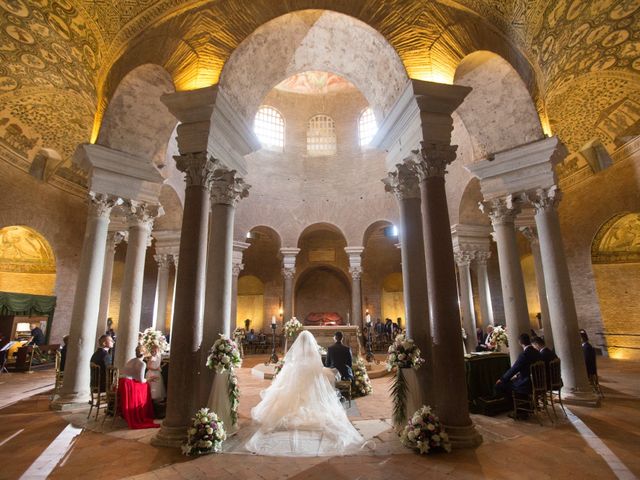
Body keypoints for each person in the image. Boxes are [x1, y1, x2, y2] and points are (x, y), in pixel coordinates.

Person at [245, 330, 364, 456]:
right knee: (315, 389)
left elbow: (293, 362)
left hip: (297, 373)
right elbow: (318, 364)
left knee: (291, 391)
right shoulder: (313, 351)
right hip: (310, 373)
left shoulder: (297, 351)